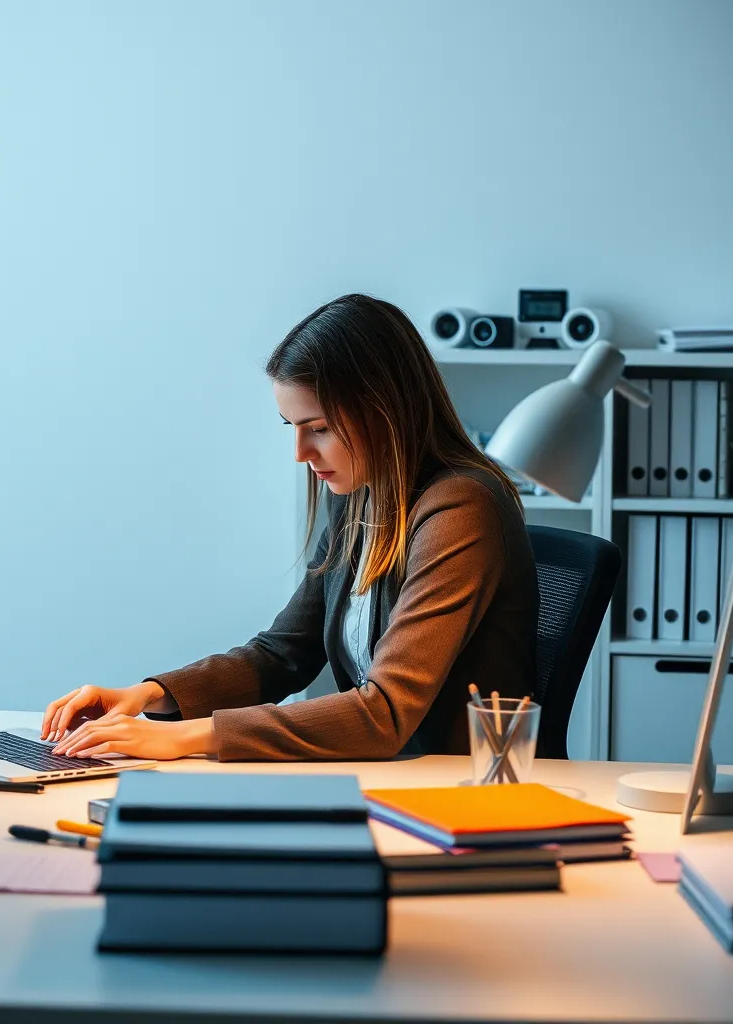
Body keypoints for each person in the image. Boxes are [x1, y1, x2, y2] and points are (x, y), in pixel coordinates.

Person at [40, 293, 538, 761]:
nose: (300, 453)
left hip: (460, 793)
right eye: (292, 427)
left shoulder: (462, 508)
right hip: (390, 779)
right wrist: (150, 694)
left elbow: (384, 712)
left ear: (387, 412)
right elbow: (282, 654)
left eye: (319, 429)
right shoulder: (360, 496)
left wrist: (181, 736)